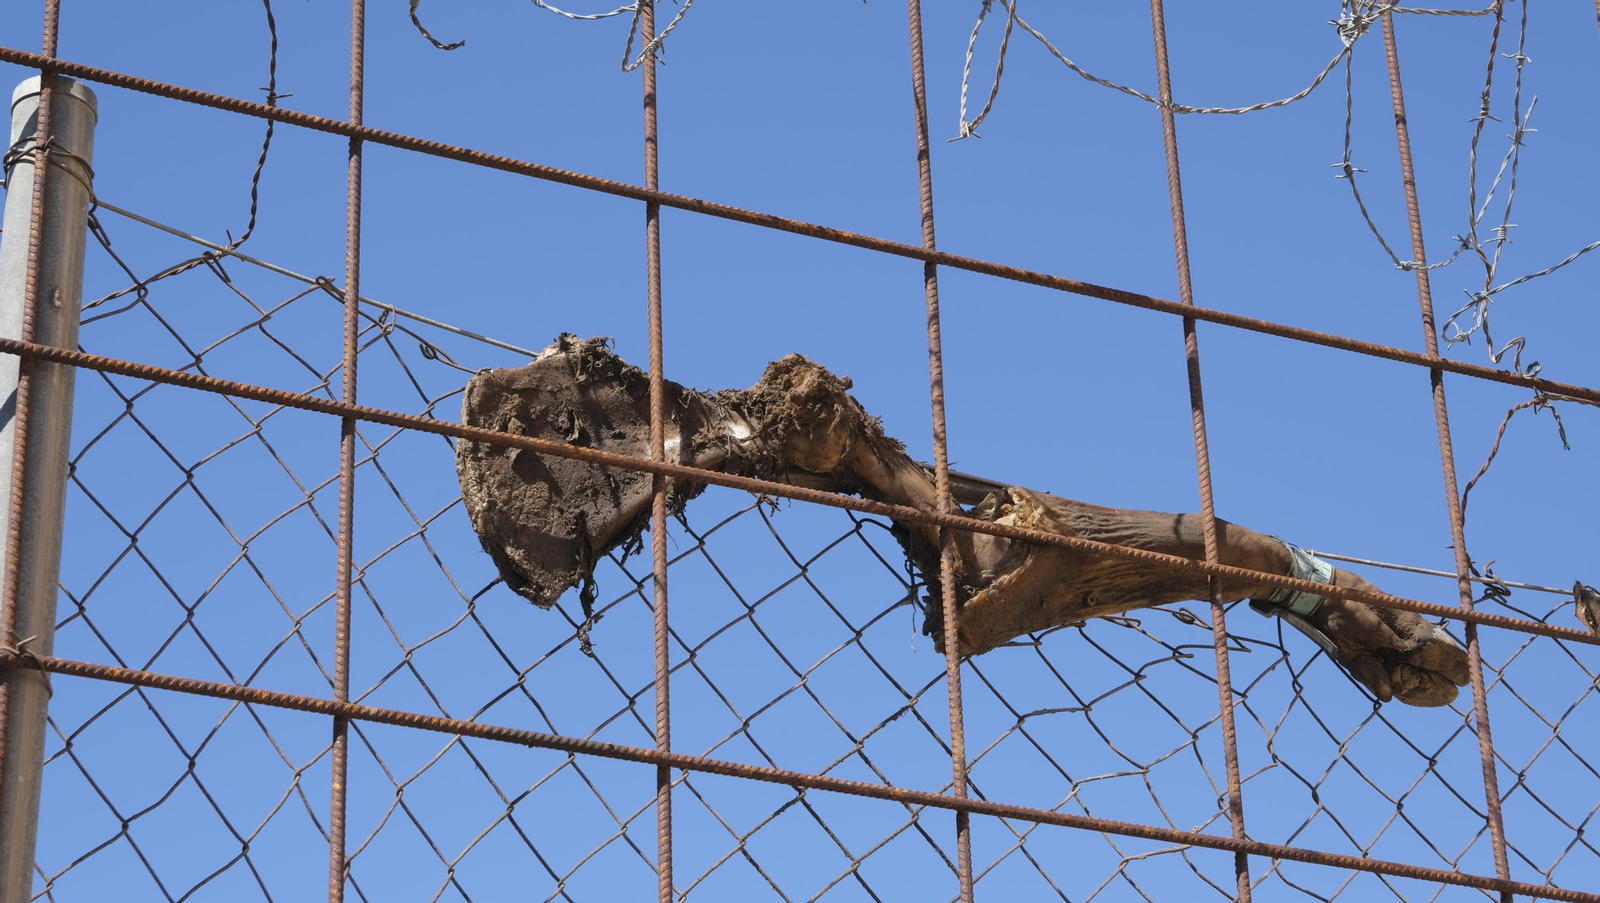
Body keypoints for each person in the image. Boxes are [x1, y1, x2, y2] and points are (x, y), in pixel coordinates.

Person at [457, 336, 1472, 708]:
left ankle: (1312, 591)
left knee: (1230, 545)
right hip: (988, 526)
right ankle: (1312, 591)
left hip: (1000, 527)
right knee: (1228, 546)